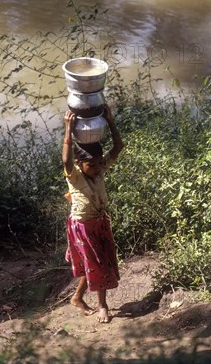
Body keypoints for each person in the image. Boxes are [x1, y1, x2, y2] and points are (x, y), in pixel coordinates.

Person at [62, 104, 124, 324]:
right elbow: (65, 160)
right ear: (80, 164)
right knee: (98, 264)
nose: (98, 167)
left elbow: (118, 147)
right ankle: (102, 305)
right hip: (83, 225)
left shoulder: (100, 167)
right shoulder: (74, 175)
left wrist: (110, 121)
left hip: (99, 222)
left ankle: (77, 297)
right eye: (92, 164)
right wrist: (68, 129)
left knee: (98, 262)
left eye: (99, 163)